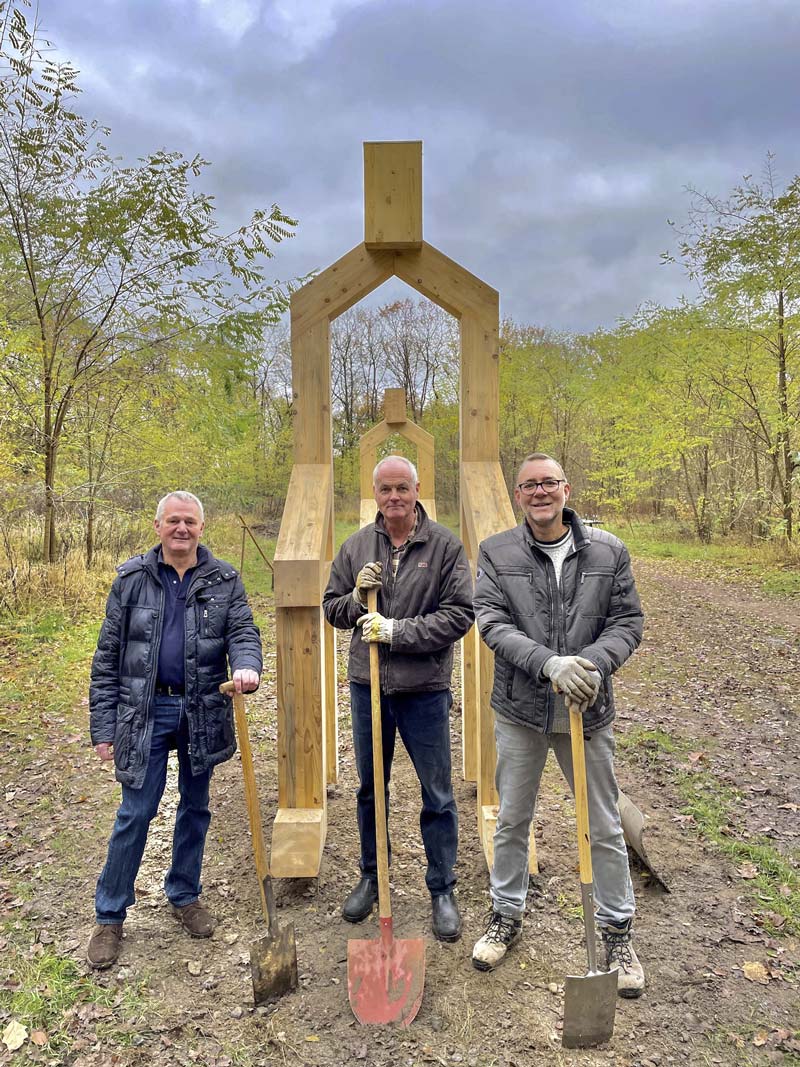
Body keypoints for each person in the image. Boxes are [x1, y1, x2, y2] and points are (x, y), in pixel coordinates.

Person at [470, 453, 645, 997]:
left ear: (566, 490)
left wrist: (589, 664)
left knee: (604, 824)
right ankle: (505, 914)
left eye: (549, 483)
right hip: (521, 710)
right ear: (518, 496)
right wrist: (549, 664)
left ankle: (617, 932)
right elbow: (491, 621)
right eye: (529, 486)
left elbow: (627, 621)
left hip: (587, 707)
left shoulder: (608, 550)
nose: (540, 492)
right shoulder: (497, 551)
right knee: (512, 819)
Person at [86, 491, 262, 969]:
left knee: (195, 807)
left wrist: (247, 664)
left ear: (201, 527)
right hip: (145, 712)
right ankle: (109, 915)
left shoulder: (224, 579)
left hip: (202, 709)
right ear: (158, 526)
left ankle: (184, 895)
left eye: (190, 521)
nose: (181, 529)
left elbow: (243, 632)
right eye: (173, 521)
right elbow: (107, 657)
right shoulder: (131, 580)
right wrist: (104, 726)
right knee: (136, 811)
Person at [322, 456, 474, 942]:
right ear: (375, 493)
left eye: (402, 488)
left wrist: (396, 632)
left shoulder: (445, 546)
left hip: (425, 689)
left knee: (437, 793)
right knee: (371, 789)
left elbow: (460, 614)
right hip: (368, 686)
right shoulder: (356, 546)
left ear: (416, 489)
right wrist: (354, 599)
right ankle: (372, 876)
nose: (394, 497)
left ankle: (442, 888)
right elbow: (331, 609)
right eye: (385, 489)